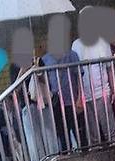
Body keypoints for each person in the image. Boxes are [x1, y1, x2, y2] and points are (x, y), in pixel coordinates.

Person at [72, 6, 115, 145]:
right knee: (93, 134)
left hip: (103, 91)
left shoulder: (102, 42)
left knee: (110, 130)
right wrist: (79, 96)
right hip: (86, 94)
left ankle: (114, 150)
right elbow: (76, 73)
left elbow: (109, 69)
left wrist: (113, 90)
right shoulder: (76, 45)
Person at [42, 14, 86, 151]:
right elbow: (44, 81)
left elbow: (79, 76)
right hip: (56, 103)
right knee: (62, 135)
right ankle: (67, 156)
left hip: (72, 100)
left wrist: (80, 99)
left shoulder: (72, 55)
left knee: (79, 132)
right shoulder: (45, 59)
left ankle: (83, 155)